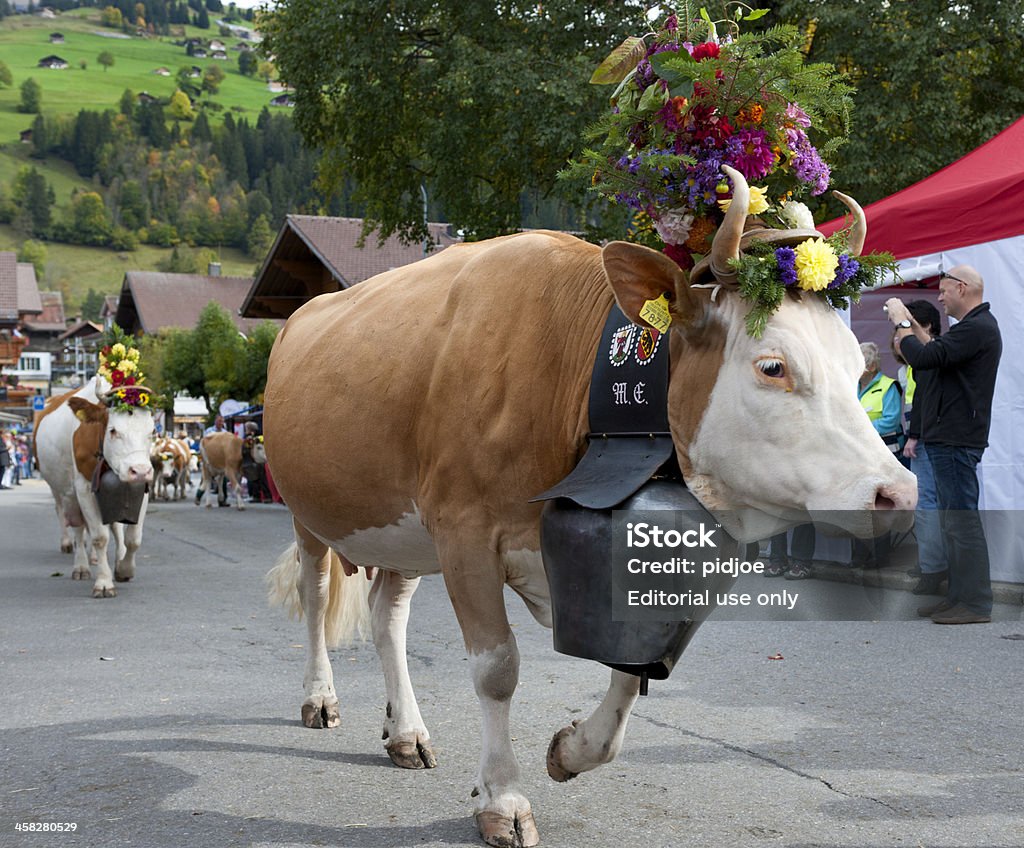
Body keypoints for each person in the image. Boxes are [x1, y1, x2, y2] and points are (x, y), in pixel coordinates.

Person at [886, 265, 1002, 625]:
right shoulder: (972, 329)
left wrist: (902, 322)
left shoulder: (977, 328)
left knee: (961, 523)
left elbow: (922, 358)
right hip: (948, 437)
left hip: (955, 438)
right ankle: (958, 598)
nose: (939, 297)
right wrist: (914, 329)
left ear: (962, 288)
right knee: (954, 522)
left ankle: (976, 603)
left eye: (943, 291)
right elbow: (934, 351)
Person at [896, 300, 948, 595]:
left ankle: (932, 567)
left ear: (925, 326)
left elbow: (925, 400)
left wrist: (914, 436)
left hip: (928, 438)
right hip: (935, 437)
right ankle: (934, 563)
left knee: (928, 506)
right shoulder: (941, 350)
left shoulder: (928, 355)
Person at [853, 342, 901, 568]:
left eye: (859, 363)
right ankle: (859, 556)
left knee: (880, 505)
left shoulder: (888, 386)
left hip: (884, 455)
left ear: (871, 367)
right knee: (858, 505)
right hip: (859, 456)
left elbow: (890, 420)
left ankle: (880, 556)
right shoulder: (852, 387)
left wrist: (861, 429)